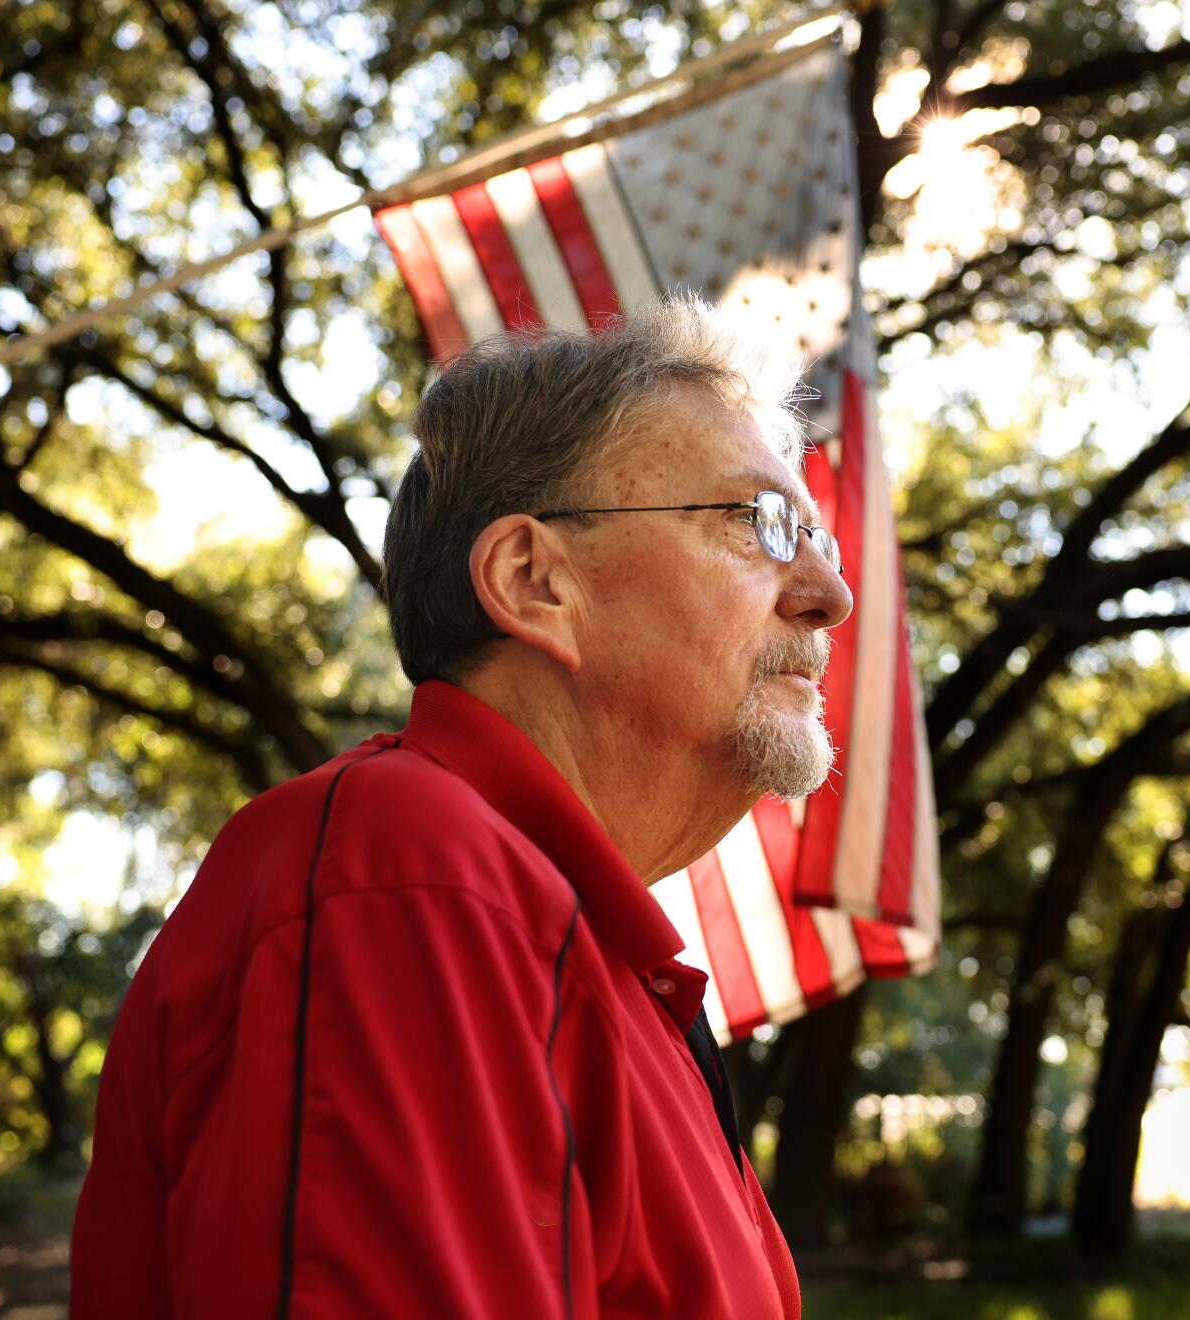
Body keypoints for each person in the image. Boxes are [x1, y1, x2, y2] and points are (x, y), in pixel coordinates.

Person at [70, 298, 852, 1318]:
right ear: (533, 582)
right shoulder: (406, 873)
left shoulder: (593, 961)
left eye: (814, 535)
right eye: (761, 522)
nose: (828, 592)